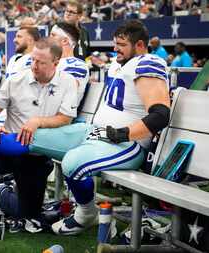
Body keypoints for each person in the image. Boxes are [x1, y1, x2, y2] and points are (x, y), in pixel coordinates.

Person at [51, 20, 171, 235]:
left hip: (126, 143)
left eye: (122, 44)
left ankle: (86, 214)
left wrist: (120, 134)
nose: (115, 49)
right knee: (32, 136)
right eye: (115, 43)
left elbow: (160, 116)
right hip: (97, 133)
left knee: (72, 162)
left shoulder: (147, 62)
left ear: (140, 45)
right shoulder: (118, 64)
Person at [0, 38, 78, 223]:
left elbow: (66, 118)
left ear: (56, 63)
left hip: (36, 155)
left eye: (41, 62)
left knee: (29, 217)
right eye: (33, 59)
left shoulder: (68, 82)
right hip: (8, 149)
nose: (34, 66)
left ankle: (2, 192)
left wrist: (37, 121)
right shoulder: (15, 80)